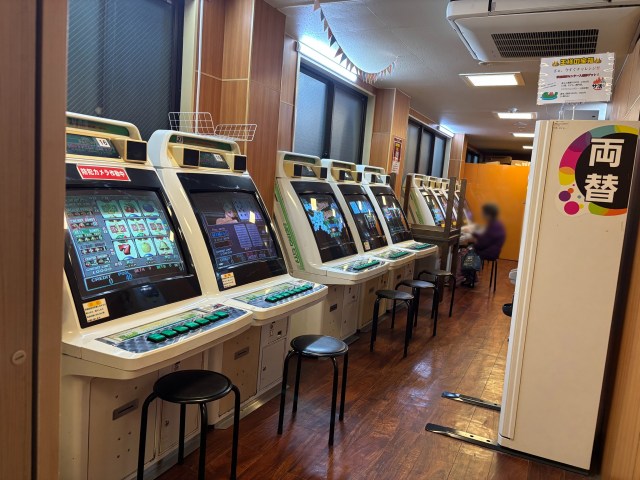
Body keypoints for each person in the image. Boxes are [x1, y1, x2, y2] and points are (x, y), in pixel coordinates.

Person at [462, 203, 506, 286]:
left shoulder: (494, 226)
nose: (482, 215)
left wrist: (473, 241)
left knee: (466, 252)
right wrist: (475, 235)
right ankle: (472, 278)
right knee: (470, 249)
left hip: (490, 252)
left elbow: (483, 243)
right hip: (493, 250)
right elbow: (486, 238)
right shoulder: (497, 224)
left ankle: (468, 279)